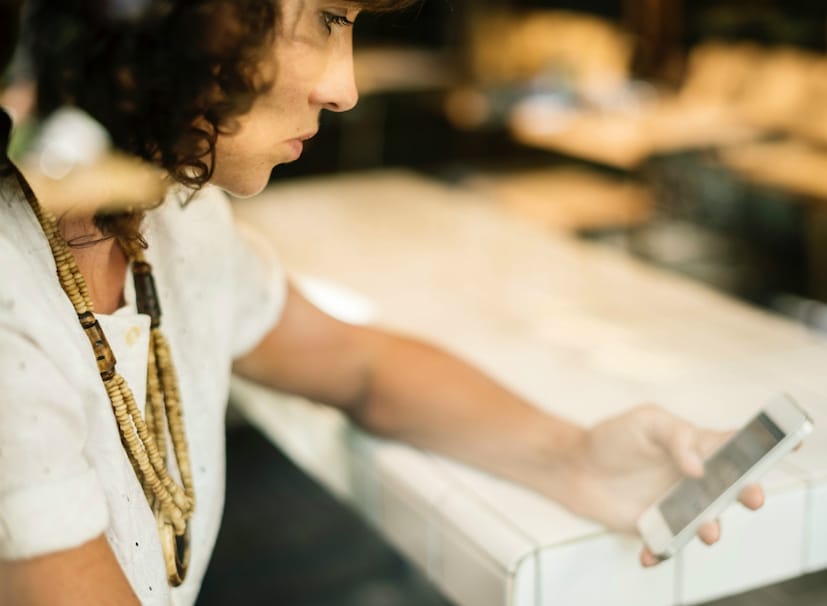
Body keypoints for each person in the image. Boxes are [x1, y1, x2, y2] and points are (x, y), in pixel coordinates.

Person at [0, 1, 765, 604]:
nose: (346, 88)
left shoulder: (177, 216)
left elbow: (356, 363)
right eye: (327, 19)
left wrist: (574, 457)